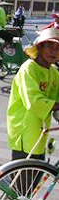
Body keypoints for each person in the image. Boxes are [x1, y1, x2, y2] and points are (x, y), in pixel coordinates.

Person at [7, 27, 59, 161]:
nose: (54, 51)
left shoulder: (53, 72)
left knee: (38, 172)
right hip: (25, 128)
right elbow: (34, 101)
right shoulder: (29, 69)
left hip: (40, 129)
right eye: (49, 46)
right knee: (23, 176)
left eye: (57, 48)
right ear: (40, 48)